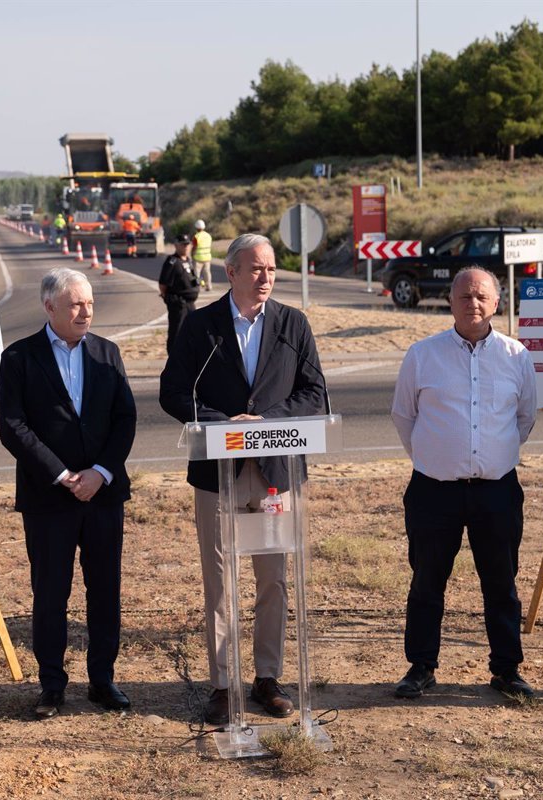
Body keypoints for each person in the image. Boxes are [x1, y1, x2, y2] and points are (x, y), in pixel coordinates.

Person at [159, 233, 326, 726]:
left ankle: (267, 678)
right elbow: (174, 392)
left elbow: (314, 392)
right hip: (218, 474)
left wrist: (267, 423)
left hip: (277, 473)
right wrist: (221, 423)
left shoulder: (293, 324)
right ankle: (223, 683)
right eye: (255, 269)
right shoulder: (200, 326)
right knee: (220, 583)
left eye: (272, 269)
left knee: (273, 579)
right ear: (230, 272)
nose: (265, 278)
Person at [389, 267, 538, 702]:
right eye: (464, 296)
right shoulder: (422, 355)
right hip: (434, 490)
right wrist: (436, 457)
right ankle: (421, 666)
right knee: (427, 580)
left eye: (481, 297)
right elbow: (404, 416)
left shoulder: (516, 356)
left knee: (501, 583)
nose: (472, 303)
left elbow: (524, 418)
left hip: (497, 490)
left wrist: (491, 454)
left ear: (496, 303)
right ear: (450, 303)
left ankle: (507, 669)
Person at [0, 268, 138, 720]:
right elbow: (12, 426)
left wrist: (99, 472)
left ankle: (103, 681)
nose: (86, 311)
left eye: (90, 303)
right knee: (51, 594)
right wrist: (61, 475)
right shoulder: (19, 357)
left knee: (105, 591)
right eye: (76, 303)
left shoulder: (107, 353)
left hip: (103, 496)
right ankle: (52, 686)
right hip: (48, 498)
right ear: (50, 306)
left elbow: (125, 419)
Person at [157, 234, 200, 354]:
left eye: (187, 245)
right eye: (183, 245)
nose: (186, 247)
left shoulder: (188, 260)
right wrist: (169, 299)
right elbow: (163, 283)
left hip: (190, 303)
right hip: (179, 304)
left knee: (192, 330)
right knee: (176, 332)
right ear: (176, 245)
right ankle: (173, 356)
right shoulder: (172, 262)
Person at [193, 219, 213, 291]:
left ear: (196, 228)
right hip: (207, 257)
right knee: (207, 273)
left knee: (197, 273)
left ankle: (197, 286)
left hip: (198, 258)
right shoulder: (208, 236)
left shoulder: (196, 236)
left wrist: (192, 255)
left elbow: (194, 247)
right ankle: (209, 286)